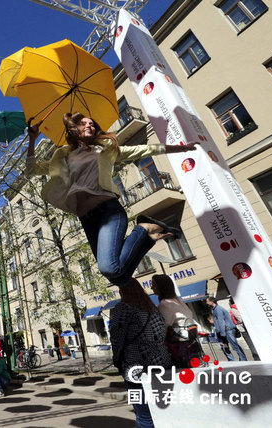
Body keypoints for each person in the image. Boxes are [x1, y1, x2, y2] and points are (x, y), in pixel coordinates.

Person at [26, 113, 198, 287]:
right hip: (86, 219)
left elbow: (143, 149)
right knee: (118, 279)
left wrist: (181, 148)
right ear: (74, 129)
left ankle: (143, 229)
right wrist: (32, 139)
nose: (89, 126)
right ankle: (148, 236)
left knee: (110, 268)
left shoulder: (105, 149)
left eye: (92, 124)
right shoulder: (63, 156)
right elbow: (32, 169)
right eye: (84, 123)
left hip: (108, 211)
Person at [110, 278, 171, 428]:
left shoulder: (122, 308)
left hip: (135, 365)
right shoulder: (152, 308)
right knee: (161, 411)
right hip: (161, 362)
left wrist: (117, 359)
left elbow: (117, 337)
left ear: (124, 291)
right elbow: (162, 333)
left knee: (143, 412)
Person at [151, 274, 202, 367]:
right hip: (192, 344)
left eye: (153, 285)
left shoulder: (165, 303)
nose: (151, 288)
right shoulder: (178, 301)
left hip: (179, 348)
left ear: (161, 286)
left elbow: (163, 328)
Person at [206, 297, 247, 361]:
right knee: (225, 347)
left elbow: (221, 321)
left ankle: (243, 359)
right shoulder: (214, 309)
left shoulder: (218, 309)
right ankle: (232, 360)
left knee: (235, 346)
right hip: (225, 330)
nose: (206, 303)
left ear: (212, 302)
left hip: (228, 329)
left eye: (207, 301)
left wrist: (222, 333)